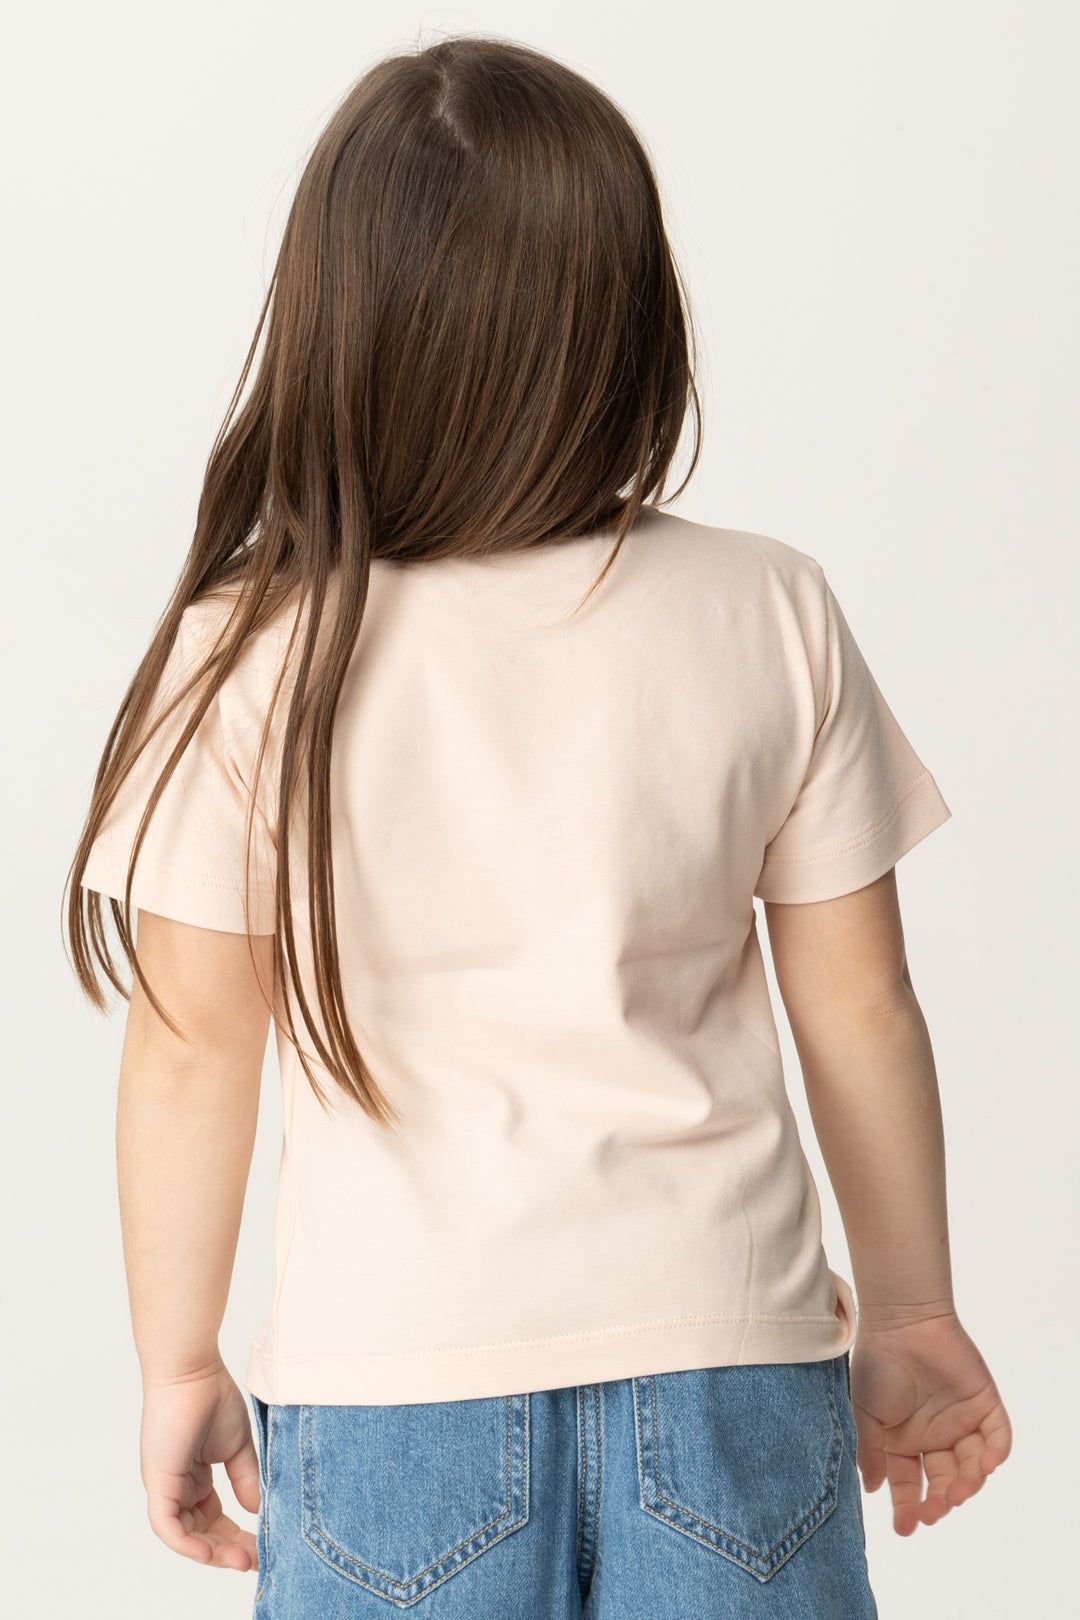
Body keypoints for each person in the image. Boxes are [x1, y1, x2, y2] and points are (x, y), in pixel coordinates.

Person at [64, 33, 1012, 1619]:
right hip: (730, 1361)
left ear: (336, 323)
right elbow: (862, 1006)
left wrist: (177, 1363)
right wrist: (913, 1313)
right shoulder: (766, 606)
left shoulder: (248, 652)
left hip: (391, 1388)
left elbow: (186, 1049)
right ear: (630, 320)